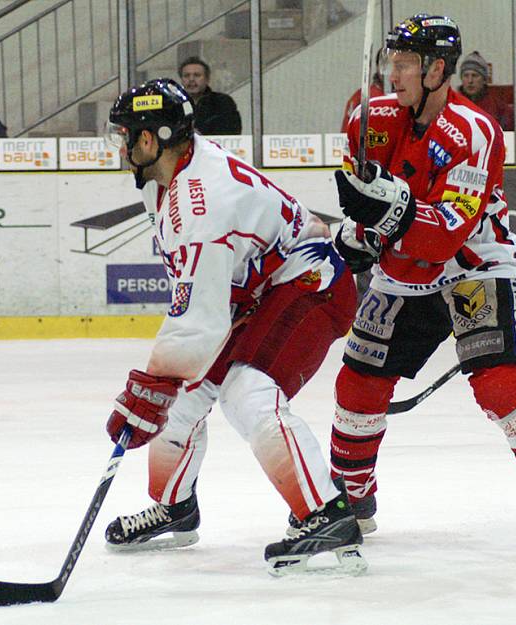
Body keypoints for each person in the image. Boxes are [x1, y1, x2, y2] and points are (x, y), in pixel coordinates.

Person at [326, 14, 516, 549]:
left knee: (501, 388)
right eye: (390, 62)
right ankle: (352, 499)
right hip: (404, 274)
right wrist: (363, 230)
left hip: (478, 267)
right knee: (357, 384)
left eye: (403, 64)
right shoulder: (369, 119)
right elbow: (373, 203)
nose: (392, 73)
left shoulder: (473, 131)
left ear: (436, 69)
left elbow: (446, 232)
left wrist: (389, 214)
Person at [102, 78, 365, 575]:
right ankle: (176, 507)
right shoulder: (167, 176)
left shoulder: (201, 202)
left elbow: (198, 316)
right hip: (253, 293)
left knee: (248, 391)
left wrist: (151, 383)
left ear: (150, 138)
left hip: (309, 281)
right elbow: (200, 298)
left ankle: (326, 513)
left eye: (125, 134)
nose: (120, 145)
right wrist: (160, 388)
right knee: (178, 403)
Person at [178, 57, 242, 135]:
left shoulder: (222, 102)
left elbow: (232, 130)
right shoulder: (173, 104)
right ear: (181, 80)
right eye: (186, 76)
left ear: (207, 79)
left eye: (197, 75)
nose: (191, 79)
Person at [457, 51, 512, 130]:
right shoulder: (451, 105)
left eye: (475, 75)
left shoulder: (499, 108)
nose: (470, 81)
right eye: (466, 75)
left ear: (484, 79)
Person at [341, 62, 385, 132]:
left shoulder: (407, 97)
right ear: (378, 67)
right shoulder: (362, 96)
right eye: (386, 65)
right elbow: (347, 134)